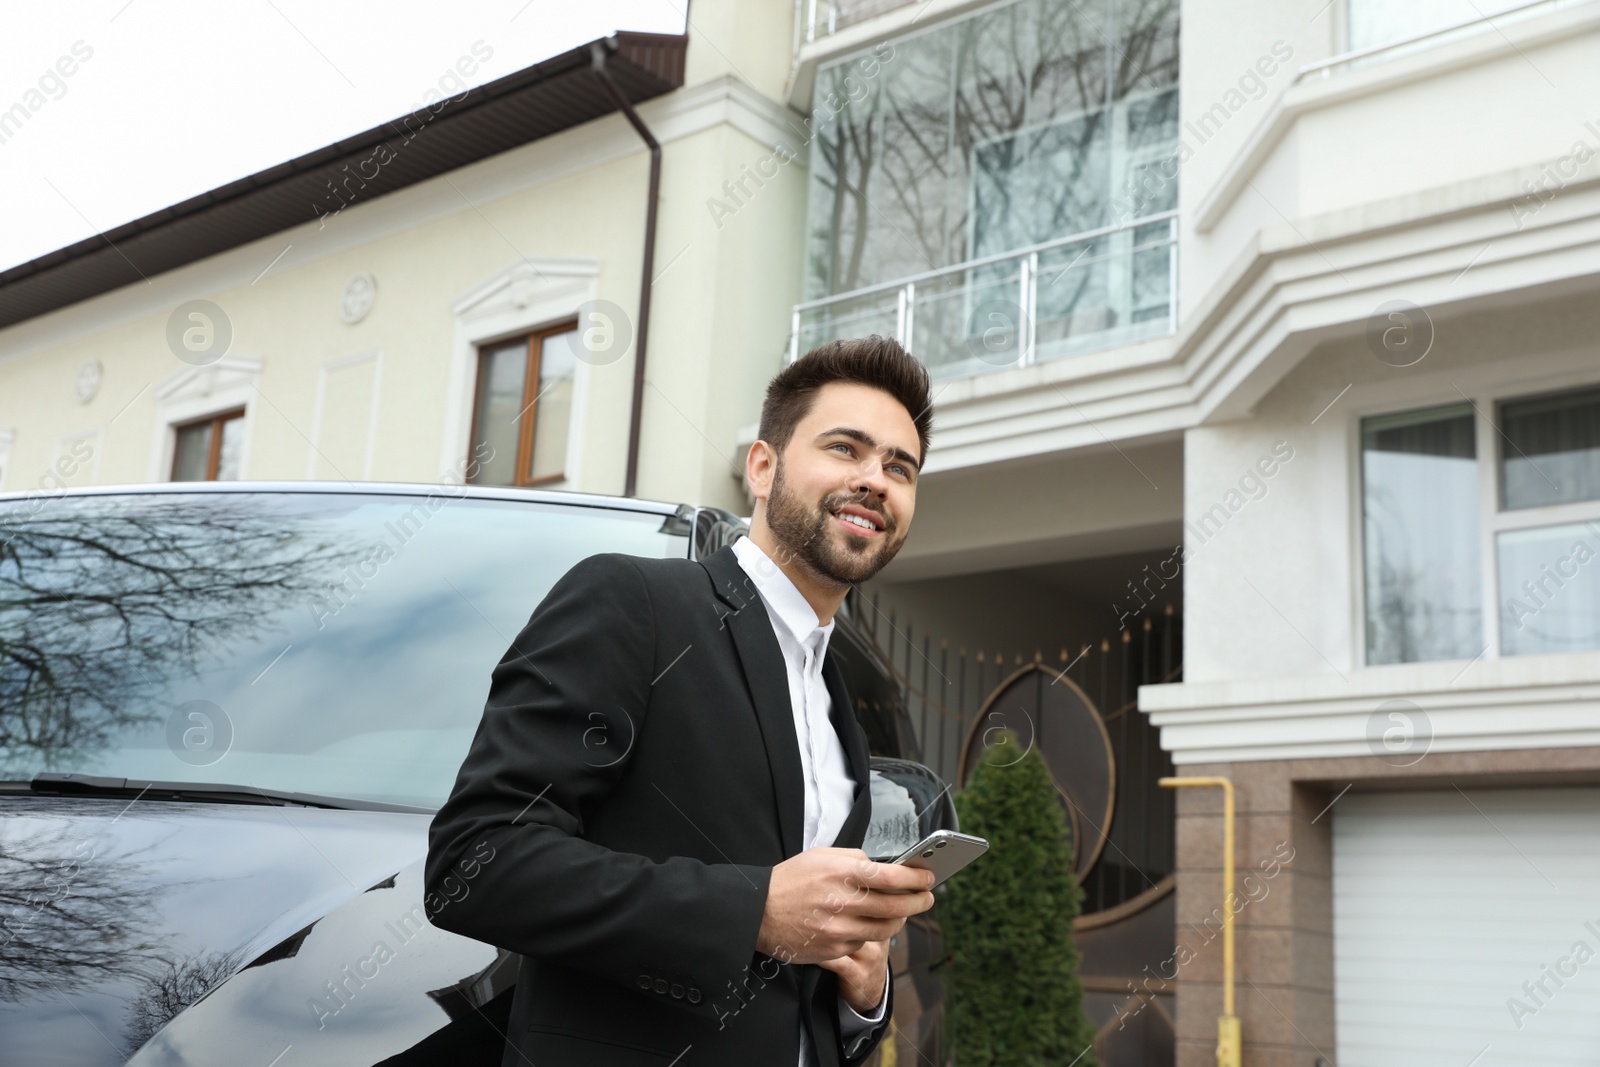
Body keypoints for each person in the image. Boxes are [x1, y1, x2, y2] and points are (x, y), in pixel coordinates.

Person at [424, 336, 939, 1066]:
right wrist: (753, 909)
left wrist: (863, 997)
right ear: (763, 467)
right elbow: (473, 862)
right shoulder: (636, 604)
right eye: (845, 448)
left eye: (899, 467)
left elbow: (793, 996)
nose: (875, 479)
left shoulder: (837, 701)